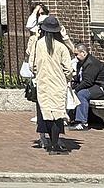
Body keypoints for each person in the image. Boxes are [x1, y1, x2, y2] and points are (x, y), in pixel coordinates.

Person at [31, 15, 73, 155]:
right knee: (57, 113)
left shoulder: (38, 44)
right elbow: (68, 69)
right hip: (58, 83)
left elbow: (32, 65)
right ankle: (55, 145)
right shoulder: (61, 47)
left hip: (43, 83)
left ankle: (51, 144)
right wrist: (67, 78)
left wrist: (39, 73)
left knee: (47, 112)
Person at [69, 43, 104, 130]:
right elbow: (79, 79)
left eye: (76, 54)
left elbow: (87, 82)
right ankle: (72, 118)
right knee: (73, 92)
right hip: (95, 86)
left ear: (83, 53)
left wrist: (76, 90)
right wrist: (72, 86)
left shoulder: (91, 63)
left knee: (82, 93)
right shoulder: (80, 63)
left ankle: (82, 122)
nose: (75, 57)